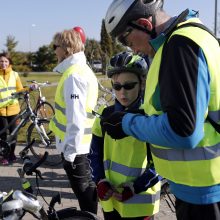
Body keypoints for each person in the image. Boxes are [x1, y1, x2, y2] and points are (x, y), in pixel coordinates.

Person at [103, 1, 220, 219]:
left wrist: (127, 123)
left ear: (144, 23)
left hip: (203, 189)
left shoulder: (180, 46)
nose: (133, 50)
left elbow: (183, 131)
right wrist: (137, 116)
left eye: (129, 42)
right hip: (201, 183)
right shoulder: (195, 35)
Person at [89, 51, 161, 220]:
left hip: (140, 202)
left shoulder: (151, 116)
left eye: (129, 86)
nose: (122, 93)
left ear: (142, 83)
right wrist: (99, 180)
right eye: (117, 86)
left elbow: (161, 164)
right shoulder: (103, 115)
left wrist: (137, 186)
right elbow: (93, 154)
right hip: (110, 201)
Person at [49, 28, 98, 214]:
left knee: (84, 192)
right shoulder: (78, 70)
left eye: (55, 46)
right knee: (85, 191)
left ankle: (89, 217)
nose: (53, 50)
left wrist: (70, 152)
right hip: (80, 146)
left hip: (76, 149)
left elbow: (76, 117)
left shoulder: (73, 75)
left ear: (66, 48)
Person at [0, 52, 24, 165]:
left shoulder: (15, 75)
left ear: (9, 62)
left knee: (14, 133)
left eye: (5, 61)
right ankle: (4, 155)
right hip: (1, 110)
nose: (3, 63)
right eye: (1, 61)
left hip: (14, 109)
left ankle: (12, 154)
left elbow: (20, 89)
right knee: (3, 135)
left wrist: (27, 90)